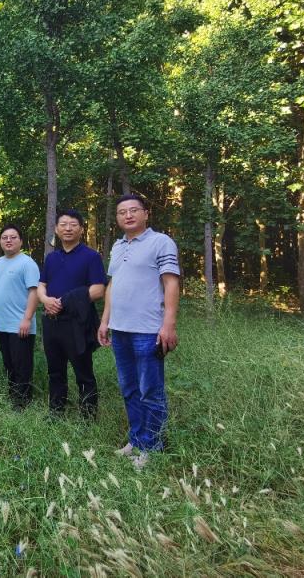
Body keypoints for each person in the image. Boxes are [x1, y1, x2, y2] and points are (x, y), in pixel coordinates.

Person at [98, 193, 180, 469]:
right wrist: (105, 321)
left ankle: (152, 447)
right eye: (122, 212)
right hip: (120, 329)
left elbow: (171, 283)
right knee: (130, 389)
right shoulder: (118, 246)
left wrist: (168, 324)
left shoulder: (161, 242)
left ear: (146, 213)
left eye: (134, 210)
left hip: (148, 330)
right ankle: (136, 440)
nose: (128, 215)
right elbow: (112, 285)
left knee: (150, 391)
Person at [37, 209, 106, 417]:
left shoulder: (91, 256)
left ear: (81, 229)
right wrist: (46, 300)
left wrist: (66, 301)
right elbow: (41, 285)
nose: (68, 228)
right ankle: (56, 413)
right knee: (55, 371)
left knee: (83, 372)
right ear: (56, 230)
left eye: (73, 225)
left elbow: (99, 290)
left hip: (77, 322)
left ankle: (88, 417)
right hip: (51, 322)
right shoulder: (52, 258)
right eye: (63, 225)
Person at [0, 224, 40, 409]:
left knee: (22, 365)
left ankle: (22, 403)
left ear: (20, 241)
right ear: (0, 241)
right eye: (5, 237)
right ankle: (13, 397)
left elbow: (34, 292)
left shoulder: (27, 263)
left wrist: (27, 319)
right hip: (2, 324)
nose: (8, 240)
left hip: (20, 324)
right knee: (9, 364)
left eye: (13, 237)